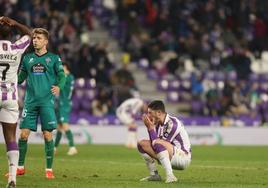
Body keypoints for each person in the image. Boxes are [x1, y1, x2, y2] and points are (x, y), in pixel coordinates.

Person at [16, 28, 66, 179]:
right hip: (30, 103)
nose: (35, 40)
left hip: (46, 102)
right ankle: (20, 167)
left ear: (46, 41)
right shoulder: (27, 58)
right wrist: (9, 80)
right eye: (34, 38)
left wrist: (59, 86)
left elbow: (62, 76)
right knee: (23, 135)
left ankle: (49, 170)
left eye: (38, 38)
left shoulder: (54, 58)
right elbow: (20, 78)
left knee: (47, 134)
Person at [0, 16, 31, 188]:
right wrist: (14, 22)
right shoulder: (16, 47)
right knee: (11, 138)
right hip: (10, 98)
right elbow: (31, 34)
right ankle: (12, 178)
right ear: (11, 33)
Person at [137, 100, 191, 183]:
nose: (148, 115)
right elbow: (154, 143)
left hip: (183, 157)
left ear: (158, 113)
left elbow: (157, 143)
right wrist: (150, 128)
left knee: (158, 143)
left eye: (150, 113)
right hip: (170, 153)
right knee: (141, 144)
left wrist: (151, 128)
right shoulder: (158, 123)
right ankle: (154, 175)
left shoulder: (172, 123)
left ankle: (171, 176)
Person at [54, 63, 78, 155]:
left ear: (65, 68)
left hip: (65, 103)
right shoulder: (68, 77)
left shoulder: (68, 77)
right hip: (61, 103)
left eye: (61, 67)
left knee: (64, 124)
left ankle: (72, 147)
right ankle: (54, 148)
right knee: (59, 126)